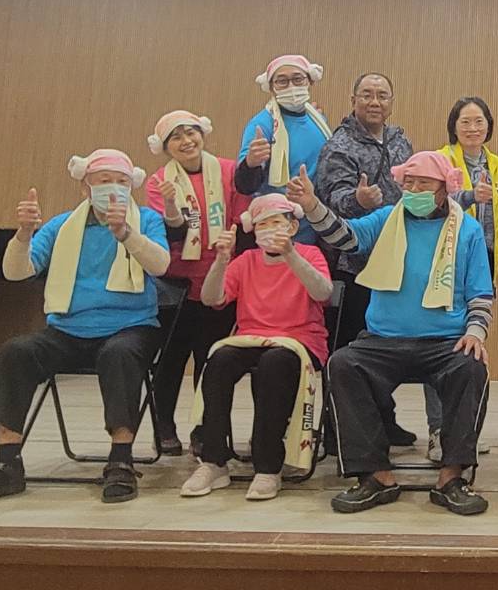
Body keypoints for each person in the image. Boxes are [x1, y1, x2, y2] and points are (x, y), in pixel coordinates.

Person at [0, 149, 170, 507]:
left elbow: (161, 265)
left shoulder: (146, 220)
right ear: (86, 187)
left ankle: (120, 459)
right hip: (67, 329)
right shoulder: (61, 225)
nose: (113, 188)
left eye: (121, 181)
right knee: (15, 353)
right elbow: (16, 272)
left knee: (119, 354)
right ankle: (7, 464)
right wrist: (24, 234)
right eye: (104, 181)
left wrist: (126, 234)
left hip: (130, 326)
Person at [300, 151, 495, 516]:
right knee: (343, 364)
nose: (414, 190)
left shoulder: (467, 230)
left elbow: (481, 293)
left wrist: (475, 332)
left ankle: (452, 478)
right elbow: (345, 237)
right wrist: (312, 205)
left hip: (444, 342)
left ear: (444, 189)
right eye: (409, 183)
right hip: (383, 340)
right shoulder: (387, 218)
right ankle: (376, 476)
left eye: (424, 184)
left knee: (472, 368)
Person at [181, 194, 333, 502]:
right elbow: (211, 299)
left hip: (299, 340)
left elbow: (323, 292)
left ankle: (268, 465)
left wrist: (291, 255)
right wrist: (221, 261)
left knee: (274, 365)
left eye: (277, 222)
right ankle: (213, 460)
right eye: (262, 224)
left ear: (293, 227)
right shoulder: (246, 260)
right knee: (219, 360)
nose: (270, 229)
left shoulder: (310, 253)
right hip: (250, 337)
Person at [312, 71, 415, 444]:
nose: (375, 102)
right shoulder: (338, 146)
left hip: (394, 260)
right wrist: (358, 200)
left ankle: (383, 420)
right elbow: (331, 200)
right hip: (352, 264)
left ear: (391, 102)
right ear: (353, 99)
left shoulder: (401, 141)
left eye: (382, 95)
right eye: (367, 94)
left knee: (384, 346)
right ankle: (338, 429)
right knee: (348, 350)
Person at [143, 109, 249, 456]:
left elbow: (241, 219)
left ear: (203, 134)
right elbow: (169, 233)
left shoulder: (229, 170)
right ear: (165, 148)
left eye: (191, 132)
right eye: (176, 137)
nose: (186, 141)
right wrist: (172, 207)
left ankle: (207, 429)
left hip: (220, 280)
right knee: (170, 360)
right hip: (175, 285)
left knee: (211, 361)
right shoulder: (160, 181)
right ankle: (163, 426)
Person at [431, 96, 498, 463]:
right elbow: (432, 203)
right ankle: (438, 431)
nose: (473, 128)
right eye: (465, 121)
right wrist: (467, 196)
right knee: (440, 346)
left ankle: (463, 432)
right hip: (446, 260)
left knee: (472, 348)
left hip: (485, 260)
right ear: (454, 126)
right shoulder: (440, 158)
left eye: (479, 121)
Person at [236, 56, 333, 240]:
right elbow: (244, 186)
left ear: (310, 81)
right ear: (271, 87)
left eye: (297, 79)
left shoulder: (319, 120)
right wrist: (251, 163)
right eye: (282, 81)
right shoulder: (262, 125)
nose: (291, 86)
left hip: (319, 224)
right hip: (280, 229)